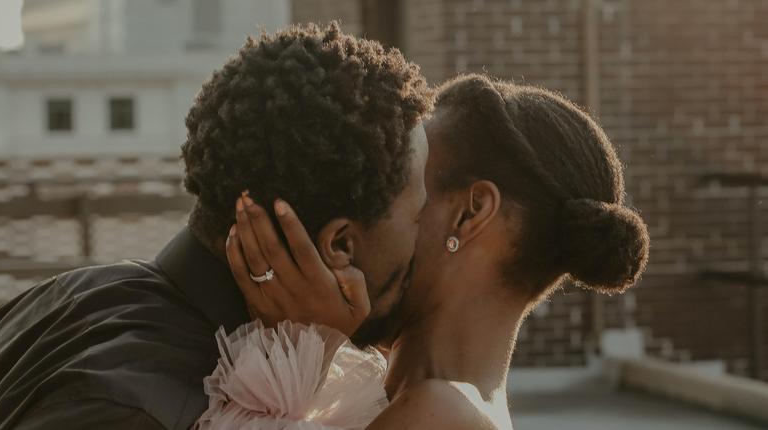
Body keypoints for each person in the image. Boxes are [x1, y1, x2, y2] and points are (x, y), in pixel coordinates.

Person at [0, 23, 432, 429]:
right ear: (339, 246)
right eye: (417, 215)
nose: (428, 237)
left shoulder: (72, 296)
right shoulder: (144, 409)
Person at [206, 74, 650, 429]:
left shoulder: (441, 415)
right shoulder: (398, 392)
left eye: (401, 187)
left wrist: (309, 343)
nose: (367, 207)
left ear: (469, 214)